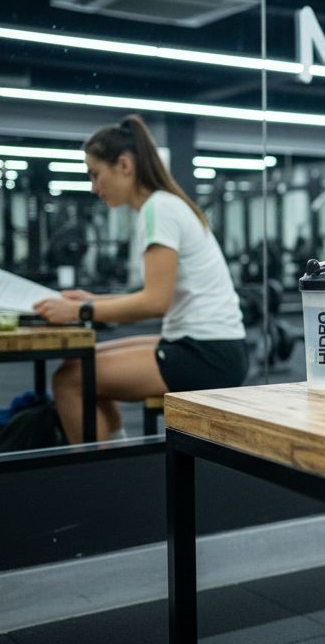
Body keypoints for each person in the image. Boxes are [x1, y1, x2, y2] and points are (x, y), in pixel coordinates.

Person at [34, 114, 247, 443]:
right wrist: (91, 300)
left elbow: (155, 303)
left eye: (95, 174)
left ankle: (105, 482)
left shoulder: (158, 209)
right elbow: (155, 293)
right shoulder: (162, 205)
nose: (94, 187)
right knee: (83, 363)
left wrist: (80, 312)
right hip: (204, 344)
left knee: (69, 380)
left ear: (123, 165)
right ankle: (117, 470)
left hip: (208, 355)